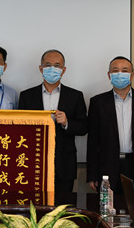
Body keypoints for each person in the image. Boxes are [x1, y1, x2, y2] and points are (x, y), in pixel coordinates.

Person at [18, 50, 87, 193]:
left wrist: (67, 123)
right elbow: (19, 130)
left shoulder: (75, 96)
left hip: (64, 164)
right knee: (34, 205)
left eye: (57, 66)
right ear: (40, 68)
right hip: (32, 163)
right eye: (48, 65)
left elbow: (84, 127)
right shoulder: (26, 96)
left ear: (63, 70)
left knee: (63, 205)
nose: (52, 69)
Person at [86, 56, 134, 196]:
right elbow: (92, 141)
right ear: (109, 75)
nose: (120, 74)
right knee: (108, 208)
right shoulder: (98, 102)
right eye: (115, 71)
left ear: (132, 75)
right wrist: (92, 174)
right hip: (107, 166)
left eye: (125, 70)